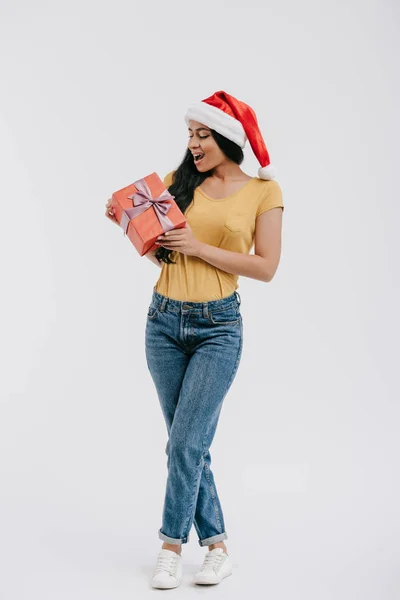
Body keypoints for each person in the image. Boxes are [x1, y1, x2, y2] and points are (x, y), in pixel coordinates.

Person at [105, 90, 284, 589]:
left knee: (185, 443)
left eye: (202, 135)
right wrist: (127, 223)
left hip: (219, 329)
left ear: (228, 138)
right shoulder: (174, 183)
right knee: (188, 446)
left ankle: (169, 545)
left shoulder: (263, 193)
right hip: (163, 322)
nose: (193, 144)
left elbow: (266, 267)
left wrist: (198, 246)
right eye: (190, 134)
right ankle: (218, 547)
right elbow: (163, 256)